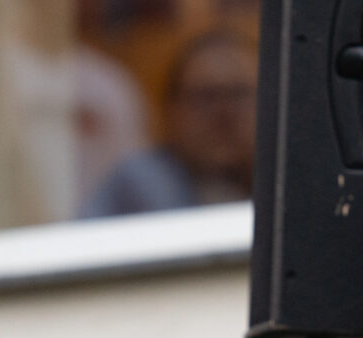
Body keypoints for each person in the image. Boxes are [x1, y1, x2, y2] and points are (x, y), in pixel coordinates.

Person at [78, 29, 257, 219]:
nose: (223, 112)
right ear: (171, 109)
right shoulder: (137, 185)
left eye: (238, 94)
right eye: (206, 96)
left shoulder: (276, 184)